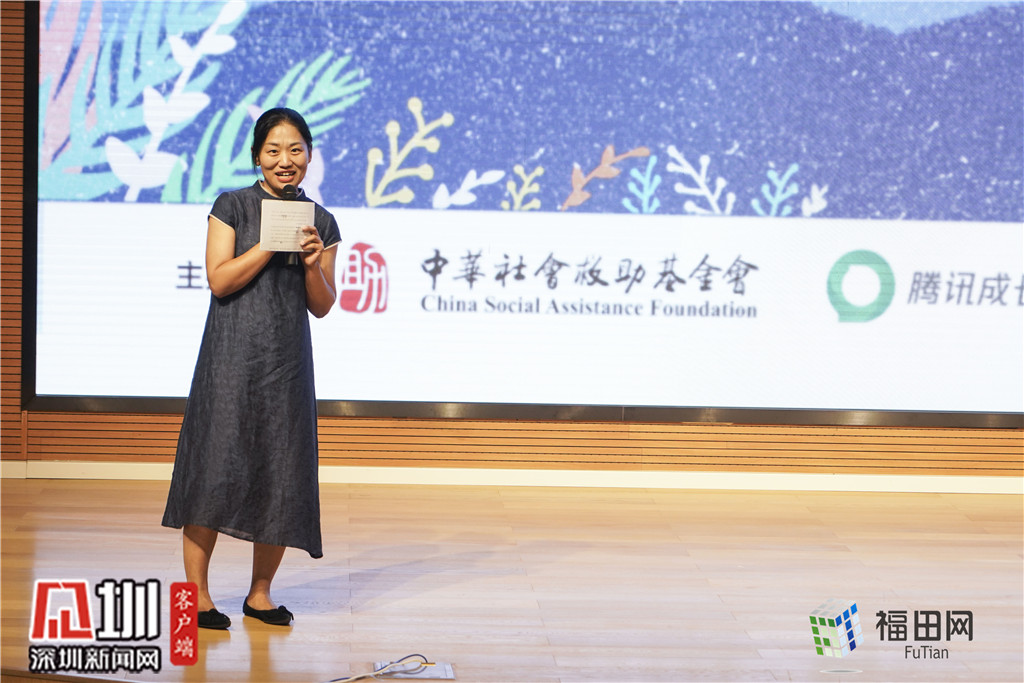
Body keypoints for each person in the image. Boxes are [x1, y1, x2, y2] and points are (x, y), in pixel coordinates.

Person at [162, 108, 340, 629]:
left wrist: (312, 264)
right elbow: (219, 280)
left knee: (281, 473)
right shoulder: (232, 206)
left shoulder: (321, 221)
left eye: (296, 150)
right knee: (212, 470)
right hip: (229, 361)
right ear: (258, 156)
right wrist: (268, 243)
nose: (286, 160)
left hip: (286, 366)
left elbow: (323, 305)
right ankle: (196, 598)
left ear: (309, 155)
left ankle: (260, 595)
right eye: (273, 150)